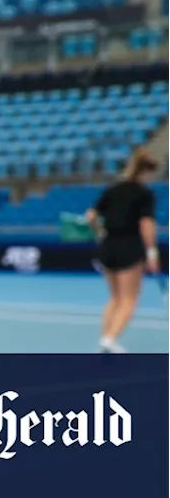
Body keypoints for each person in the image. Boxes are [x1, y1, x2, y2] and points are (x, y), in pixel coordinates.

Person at [86, 147, 161, 354]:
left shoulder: (113, 189)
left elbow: (90, 216)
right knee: (129, 298)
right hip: (129, 246)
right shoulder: (144, 194)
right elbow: (146, 224)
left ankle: (106, 337)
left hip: (108, 245)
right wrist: (152, 251)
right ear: (147, 172)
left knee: (114, 297)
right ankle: (109, 339)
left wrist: (99, 233)